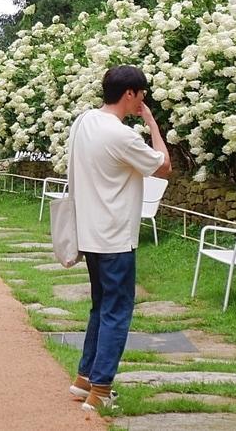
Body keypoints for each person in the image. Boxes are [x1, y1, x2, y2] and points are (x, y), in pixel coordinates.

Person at [65, 65, 172, 412]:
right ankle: (101, 390)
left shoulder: (84, 122)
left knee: (101, 307)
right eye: (142, 95)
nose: (143, 101)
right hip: (115, 238)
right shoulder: (121, 136)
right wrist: (153, 125)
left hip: (89, 234)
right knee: (117, 311)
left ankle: (84, 379)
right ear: (131, 94)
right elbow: (164, 166)